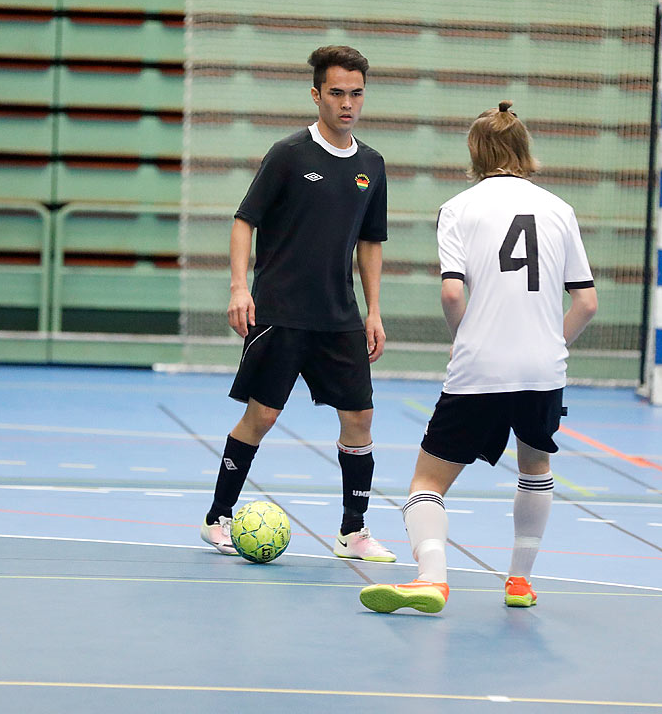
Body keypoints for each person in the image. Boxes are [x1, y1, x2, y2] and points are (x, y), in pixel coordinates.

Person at [360, 101, 597, 614]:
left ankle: (431, 578)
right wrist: (551, 346)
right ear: (524, 150)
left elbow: (451, 295)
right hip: (542, 370)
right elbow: (586, 302)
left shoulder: (458, 208)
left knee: (427, 482)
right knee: (534, 470)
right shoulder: (559, 210)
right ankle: (518, 582)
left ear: (475, 152)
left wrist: (466, 336)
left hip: (479, 368)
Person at [200, 45, 396, 563]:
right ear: (316, 95)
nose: (347, 104)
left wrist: (373, 311)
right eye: (336, 93)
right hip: (281, 312)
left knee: (360, 419)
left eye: (356, 94)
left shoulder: (372, 165)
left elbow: (370, 242)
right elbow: (245, 220)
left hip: (339, 318)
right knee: (261, 416)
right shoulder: (288, 154)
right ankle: (217, 518)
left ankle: (353, 532)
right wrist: (240, 287)